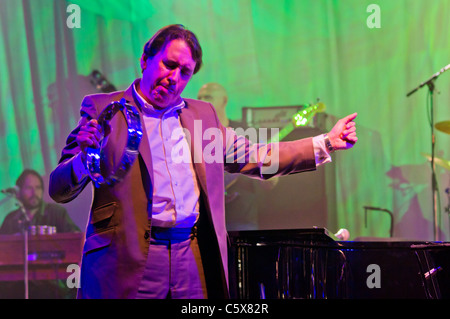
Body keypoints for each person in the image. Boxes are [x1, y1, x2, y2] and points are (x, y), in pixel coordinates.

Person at [48, 24, 358, 299]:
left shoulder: (201, 116)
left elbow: (258, 157)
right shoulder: (105, 108)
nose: (174, 78)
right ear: (146, 60)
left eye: (185, 72)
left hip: (192, 255)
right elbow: (59, 188)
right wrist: (84, 161)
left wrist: (325, 142)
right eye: (169, 65)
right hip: (128, 259)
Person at [197, 82, 278, 230]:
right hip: (205, 220)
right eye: (199, 97)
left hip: (241, 220)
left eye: (208, 97)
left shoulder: (244, 132)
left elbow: (270, 176)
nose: (202, 101)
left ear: (224, 100)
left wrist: (269, 175)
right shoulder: (195, 134)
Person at [0, 169, 80, 234]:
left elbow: (76, 238)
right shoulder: (10, 220)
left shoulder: (57, 213)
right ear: (19, 191)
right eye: (29, 188)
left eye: (38, 188)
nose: (34, 193)